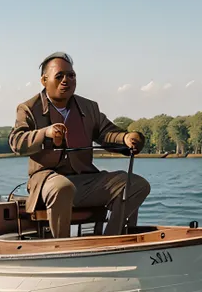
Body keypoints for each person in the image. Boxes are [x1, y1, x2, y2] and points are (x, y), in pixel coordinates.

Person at [8, 52, 151, 238]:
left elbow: (106, 133)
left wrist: (126, 139)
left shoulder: (89, 107)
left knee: (137, 185)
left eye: (71, 75)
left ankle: (112, 240)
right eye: (59, 76)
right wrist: (45, 133)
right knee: (62, 187)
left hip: (85, 180)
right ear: (44, 80)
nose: (66, 80)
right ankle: (62, 248)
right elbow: (16, 141)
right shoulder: (28, 108)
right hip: (47, 181)